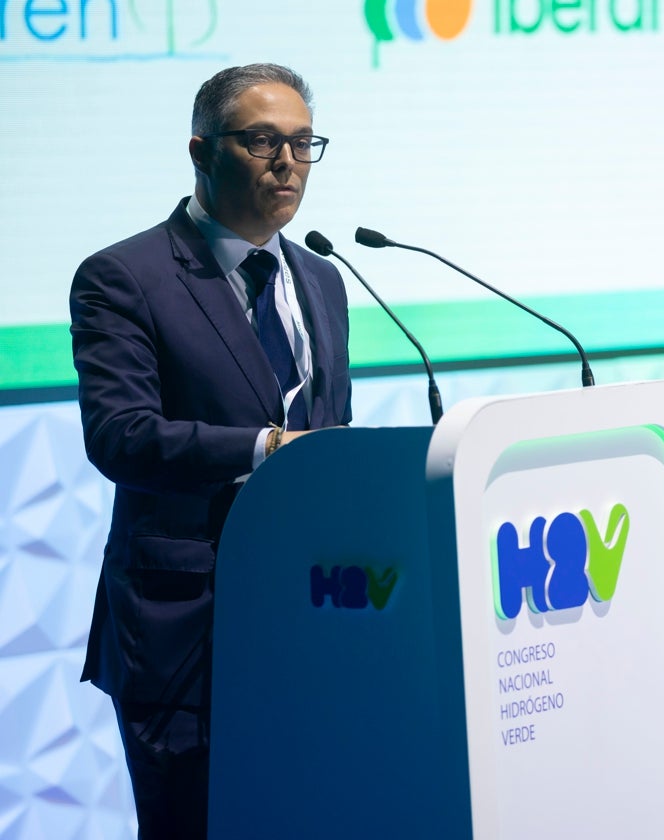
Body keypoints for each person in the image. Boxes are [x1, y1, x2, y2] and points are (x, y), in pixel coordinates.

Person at [69, 63, 352, 838]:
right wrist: (266, 446)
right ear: (202, 151)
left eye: (302, 143)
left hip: (308, 620)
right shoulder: (124, 276)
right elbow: (119, 435)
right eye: (262, 141)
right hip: (184, 631)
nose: (287, 162)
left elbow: (332, 428)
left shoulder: (324, 278)